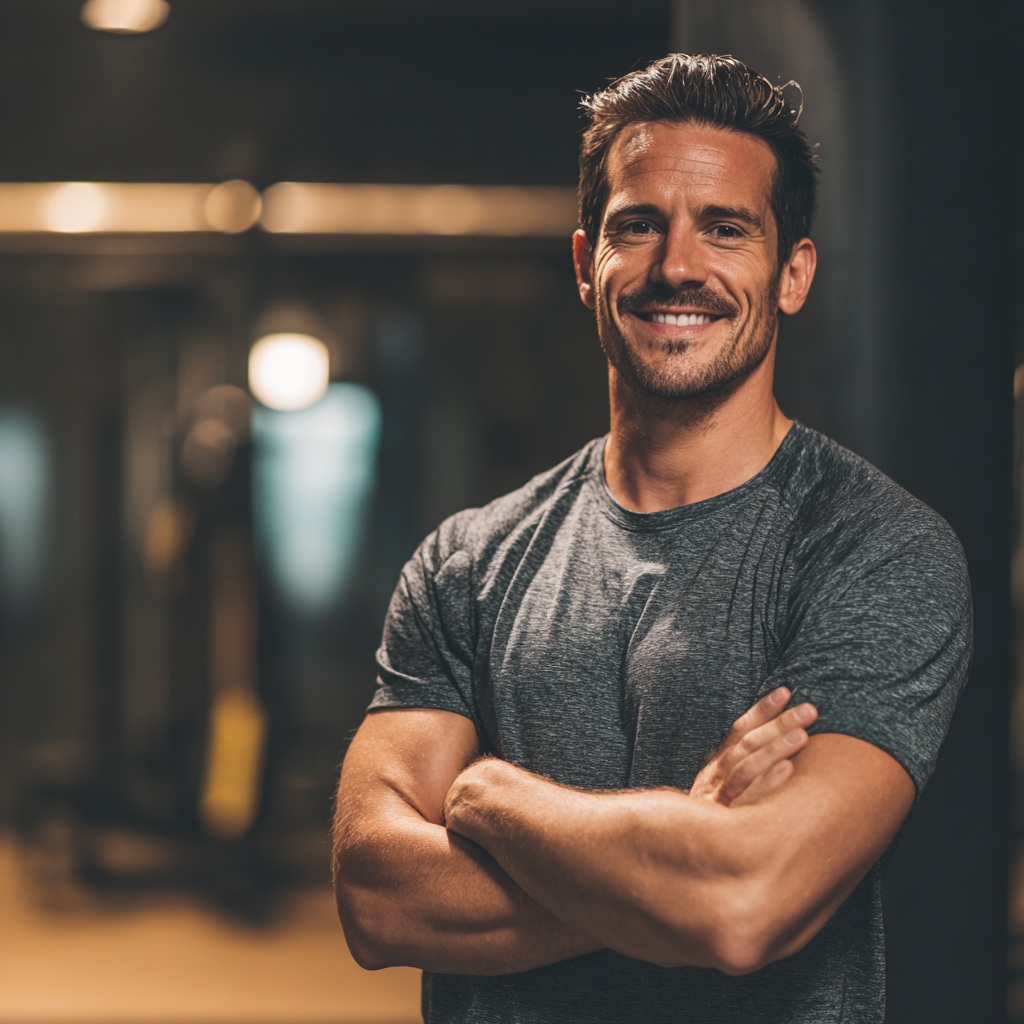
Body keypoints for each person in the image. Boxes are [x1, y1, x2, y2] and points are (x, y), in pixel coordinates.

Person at [332, 53, 972, 1023]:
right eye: (639, 226)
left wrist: (490, 797)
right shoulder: (468, 561)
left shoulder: (873, 549)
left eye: (725, 228)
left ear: (792, 273)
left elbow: (741, 902)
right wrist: (677, 852)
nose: (678, 266)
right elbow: (375, 896)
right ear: (588, 262)